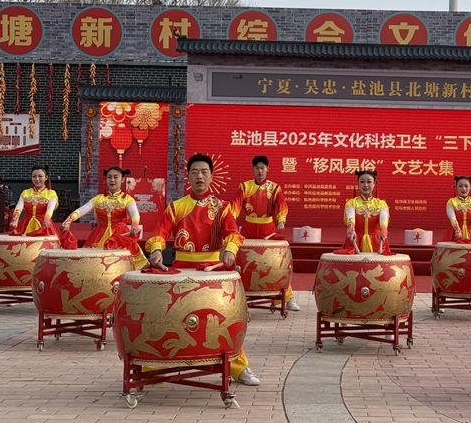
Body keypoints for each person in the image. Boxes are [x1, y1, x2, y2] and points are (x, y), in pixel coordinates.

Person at [145, 153, 259, 387]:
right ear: (188, 177)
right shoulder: (176, 207)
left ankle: (238, 366)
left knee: (223, 318)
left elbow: (233, 233)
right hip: (180, 270)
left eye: (204, 172)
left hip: (211, 271)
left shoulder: (222, 207)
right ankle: (154, 366)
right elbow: (160, 232)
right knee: (168, 317)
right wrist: (156, 250)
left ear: (212, 176)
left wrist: (230, 250)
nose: (200, 176)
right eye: (195, 172)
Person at [227, 155, 298, 311]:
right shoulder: (245, 187)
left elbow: (282, 205)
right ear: (253, 169)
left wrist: (281, 220)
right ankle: (237, 294)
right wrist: (231, 223)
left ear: (267, 169)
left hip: (268, 229)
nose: (260, 171)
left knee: (276, 263)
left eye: (263, 168)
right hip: (248, 228)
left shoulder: (274, 188)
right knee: (242, 262)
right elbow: (235, 207)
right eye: (257, 168)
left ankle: (287, 297)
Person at [61, 167, 148, 269]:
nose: (112, 180)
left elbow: (135, 214)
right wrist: (69, 220)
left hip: (120, 236)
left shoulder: (127, 199)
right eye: (109, 177)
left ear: (122, 179)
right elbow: (81, 210)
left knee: (121, 267)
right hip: (99, 234)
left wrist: (135, 225)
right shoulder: (98, 198)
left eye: (116, 177)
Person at [335, 170, 393, 255]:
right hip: (355, 240)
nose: (365, 185)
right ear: (358, 184)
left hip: (377, 242)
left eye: (369, 182)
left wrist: (383, 232)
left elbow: (383, 222)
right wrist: (351, 231)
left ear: (374, 184)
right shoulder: (352, 203)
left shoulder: (381, 204)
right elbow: (351, 219)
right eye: (362, 182)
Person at [9, 165, 58, 235]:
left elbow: (50, 208)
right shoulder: (25, 193)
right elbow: (19, 207)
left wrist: (46, 219)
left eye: (40, 176)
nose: (37, 179)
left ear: (46, 177)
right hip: (25, 225)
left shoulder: (51, 194)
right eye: (34, 176)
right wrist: (15, 219)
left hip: (43, 224)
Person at [443, 175, 471, 242]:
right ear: (456, 187)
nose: (464, 189)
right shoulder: (451, 202)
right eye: (460, 186)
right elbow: (452, 217)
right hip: (455, 232)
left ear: (470, 187)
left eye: (466, 186)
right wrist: (457, 230)